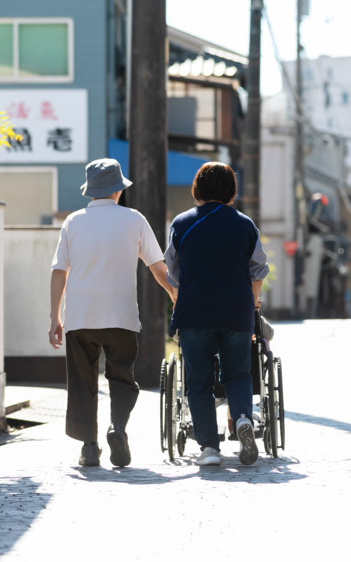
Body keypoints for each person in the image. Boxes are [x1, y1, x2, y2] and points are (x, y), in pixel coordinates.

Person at [49, 158, 176, 468]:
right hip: (121, 316)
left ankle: (89, 448)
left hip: (80, 316)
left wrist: (55, 316)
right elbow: (158, 268)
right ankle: (117, 428)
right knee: (122, 378)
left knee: (82, 381)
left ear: (90, 191)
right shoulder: (134, 219)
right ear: (118, 190)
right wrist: (176, 295)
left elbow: (59, 272)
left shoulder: (73, 222)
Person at [165, 162, 268, 466]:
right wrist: (254, 300)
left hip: (194, 311)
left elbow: (172, 270)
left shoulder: (181, 223)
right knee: (237, 373)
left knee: (199, 381)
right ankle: (242, 420)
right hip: (236, 310)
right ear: (231, 191)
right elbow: (258, 267)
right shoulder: (244, 225)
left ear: (197, 188)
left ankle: (209, 448)